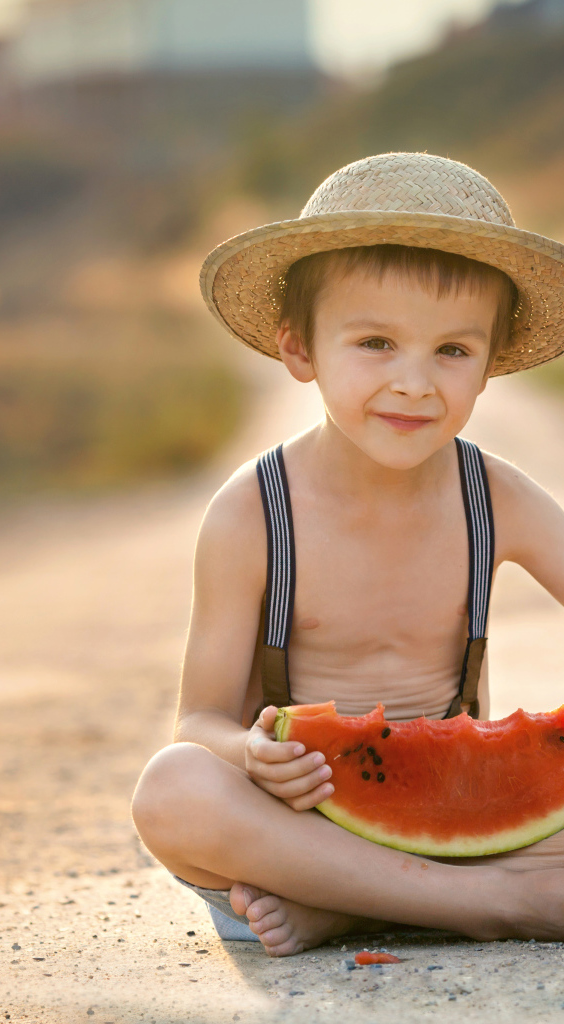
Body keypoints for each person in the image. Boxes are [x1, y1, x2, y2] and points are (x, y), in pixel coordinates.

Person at [131, 152, 564, 956]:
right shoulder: (253, 513)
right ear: (301, 351)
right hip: (299, 826)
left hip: (466, 820)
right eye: (375, 342)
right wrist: (252, 755)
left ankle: (360, 910)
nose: (414, 383)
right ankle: (488, 907)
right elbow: (199, 721)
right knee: (172, 790)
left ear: (492, 362)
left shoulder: (493, 495)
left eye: (453, 352)